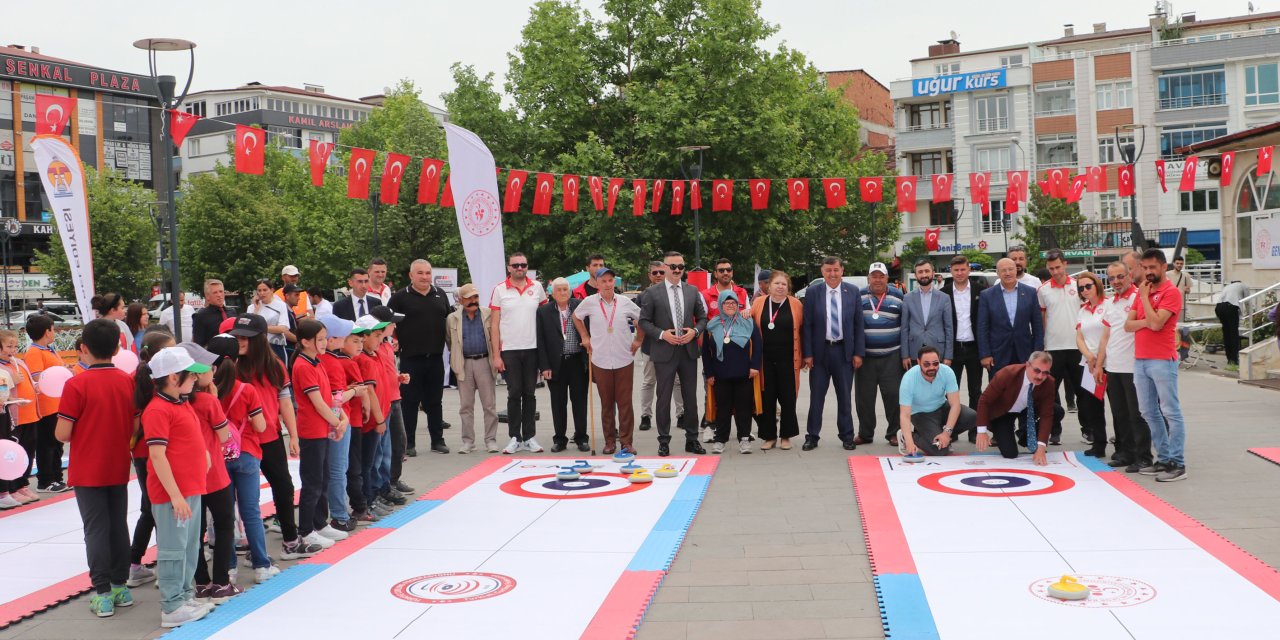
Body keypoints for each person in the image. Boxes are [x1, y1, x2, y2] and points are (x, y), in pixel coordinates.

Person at [53, 319, 136, 618]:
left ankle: (101, 593)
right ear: (117, 348)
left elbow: (62, 433)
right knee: (118, 525)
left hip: (87, 468)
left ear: (83, 349)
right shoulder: (128, 381)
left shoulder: (75, 384)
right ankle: (120, 587)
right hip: (118, 465)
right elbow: (135, 424)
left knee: (96, 529)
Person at [137, 346, 214, 628]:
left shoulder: (180, 403)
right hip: (174, 494)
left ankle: (183, 596)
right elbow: (157, 455)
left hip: (190, 488)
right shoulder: (157, 410)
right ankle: (171, 605)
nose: (195, 379)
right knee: (173, 549)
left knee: (190, 546)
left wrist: (203, 454)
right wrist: (175, 495)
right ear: (172, 377)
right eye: (190, 376)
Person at [231, 314, 318, 560]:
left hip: (271, 436)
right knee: (248, 497)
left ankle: (290, 541)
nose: (240, 341)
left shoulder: (275, 365)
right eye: (237, 336)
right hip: (243, 441)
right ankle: (251, 548)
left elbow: (285, 401)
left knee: (284, 486)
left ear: (259, 339)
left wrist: (293, 435)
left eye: (245, 337)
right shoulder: (233, 366)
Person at [204, 335, 279, 583]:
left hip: (218, 459)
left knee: (225, 517)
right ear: (237, 359)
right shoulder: (247, 390)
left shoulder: (206, 393)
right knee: (250, 512)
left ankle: (230, 568)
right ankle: (261, 565)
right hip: (247, 453)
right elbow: (260, 424)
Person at [180, 343, 240, 604]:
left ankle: (202, 583)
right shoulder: (207, 401)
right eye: (206, 367)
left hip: (190, 476)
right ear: (193, 373)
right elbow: (224, 435)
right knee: (224, 525)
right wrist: (215, 399)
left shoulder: (176, 403)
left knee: (196, 530)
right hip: (215, 474)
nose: (212, 370)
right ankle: (221, 582)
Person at [1126, 249, 1189, 482]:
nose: (1149, 272)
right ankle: (1163, 459)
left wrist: (1143, 298)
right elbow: (1127, 325)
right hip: (1140, 359)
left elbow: (1156, 325)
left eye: (1153, 267)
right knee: (1148, 412)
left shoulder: (1170, 292)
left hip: (1162, 360)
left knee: (1170, 411)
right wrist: (1146, 318)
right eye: (1145, 267)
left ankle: (1178, 463)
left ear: (1164, 267)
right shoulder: (1144, 291)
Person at [638, 251, 709, 456]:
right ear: (665, 267)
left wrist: (694, 332)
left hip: (687, 350)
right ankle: (663, 440)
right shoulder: (652, 293)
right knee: (663, 397)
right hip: (664, 350)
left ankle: (692, 439)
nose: (677, 270)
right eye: (673, 266)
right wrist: (662, 335)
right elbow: (643, 321)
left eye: (681, 266)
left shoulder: (692, 290)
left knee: (690, 397)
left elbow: (702, 318)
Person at [291, 319, 350, 549]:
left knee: (323, 477)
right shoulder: (303, 365)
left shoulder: (316, 362)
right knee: (312, 482)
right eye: (320, 339)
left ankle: (319, 522)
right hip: (312, 430)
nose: (325, 343)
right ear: (305, 342)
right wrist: (338, 422)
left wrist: (341, 418)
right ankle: (305, 531)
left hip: (323, 428)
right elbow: (317, 403)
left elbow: (330, 398)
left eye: (326, 338)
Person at [124, 332, 177, 589]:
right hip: (158, 451)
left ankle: (136, 564)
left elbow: (133, 422)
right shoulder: (160, 381)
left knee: (152, 507)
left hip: (144, 452)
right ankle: (151, 564)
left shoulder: (137, 378)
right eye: (171, 349)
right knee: (159, 507)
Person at [574, 269, 643, 455]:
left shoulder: (625, 302)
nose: (607, 284)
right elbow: (576, 316)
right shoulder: (589, 302)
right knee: (606, 403)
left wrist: (638, 340)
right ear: (597, 283)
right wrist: (585, 336)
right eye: (603, 281)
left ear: (615, 282)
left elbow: (642, 318)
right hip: (600, 359)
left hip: (624, 358)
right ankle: (610, 441)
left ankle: (627, 442)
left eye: (610, 280)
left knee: (625, 403)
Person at [801, 256, 865, 451]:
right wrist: (808, 353)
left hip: (844, 352)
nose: (832, 274)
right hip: (820, 354)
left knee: (845, 397)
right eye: (828, 270)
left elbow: (858, 324)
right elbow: (807, 325)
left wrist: (858, 353)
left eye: (836, 270)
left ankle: (847, 436)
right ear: (822, 272)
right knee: (816, 397)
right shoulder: (813, 292)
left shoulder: (853, 292)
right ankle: (812, 436)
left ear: (842, 270)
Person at [389, 259, 453, 456]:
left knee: (435, 401)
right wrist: (393, 341)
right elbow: (388, 325)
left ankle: (437, 440)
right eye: (420, 273)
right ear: (411, 276)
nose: (425, 277)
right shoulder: (399, 298)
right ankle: (408, 443)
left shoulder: (440, 294)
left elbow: (449, 321)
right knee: (409, 402)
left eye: (427, 273)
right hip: (410, 359)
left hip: (435, 358)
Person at [490, 252, 548, 454]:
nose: (519, 268)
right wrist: (496, 355)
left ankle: (530, 436)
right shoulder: (499, 290)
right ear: (509, 268)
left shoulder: (537, 287)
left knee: (530, 394)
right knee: (514, 393)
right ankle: (515, 437)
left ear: (527, 266)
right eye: (515, 265)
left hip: (533, 349)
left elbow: (544, 319)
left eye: (523, 265)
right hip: (510, 350)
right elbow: (494, 325)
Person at [1097, 261, 1152, 472]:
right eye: (1112, 278)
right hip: (1114, 367)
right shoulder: (1110, 303)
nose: (1116, 281)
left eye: (1120, 276)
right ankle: (1126, 453)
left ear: (1129, 275)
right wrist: (1100, 365)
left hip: (1134, 367)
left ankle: (1144, 456)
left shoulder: (1139, 297)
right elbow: (1105, 337)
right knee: (1119, 414)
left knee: (1137, 415)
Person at [316, 316, 363, 533]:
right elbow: (335, 398)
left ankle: (334, 514)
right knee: (337, 469)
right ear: (331, 339)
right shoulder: (332, 362)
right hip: (336, 421)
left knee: (327, 470)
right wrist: (354, 391)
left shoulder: (317, 359)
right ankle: (340, 516)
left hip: (322, 422)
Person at [702, 289, 761, 454]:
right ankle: (720, 440)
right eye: (727, 303)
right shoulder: (712, 325)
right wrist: (710, 374)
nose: (730, 305)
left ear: (738, 304)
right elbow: (706, 353)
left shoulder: (747, 322)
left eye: (733, 303)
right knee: (723, 409)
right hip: (721, 375)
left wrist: (755, 366)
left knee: (744, 408)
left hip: (744, 373)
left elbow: (758, 345)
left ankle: (744, 440)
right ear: (721, 305)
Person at [975, 353, 1061, 465]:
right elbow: (984, 400)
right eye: (1037, 371)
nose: (1040, 376)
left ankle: (1028, 439)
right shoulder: (1007, 374)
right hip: (1003, 412)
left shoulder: (1049, 382)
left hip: (1028, 409)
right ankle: (1004, 433)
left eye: (1045, 373)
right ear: (1027, 365)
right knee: (1010, 454)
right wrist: (981, 431)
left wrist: (1041, 447)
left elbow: (1046, 415)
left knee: (1057, 411)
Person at [854, 262, 905, 447]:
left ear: (887, 278)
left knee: (893, 396)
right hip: (865, 356)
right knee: (864, 398)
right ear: (869, 278)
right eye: (874, 276)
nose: (877, 279)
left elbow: (905, 324)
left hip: (892, 355)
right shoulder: (858, 296)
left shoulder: (898, 296)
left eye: (881, 276)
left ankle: (893, 433)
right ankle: (865, 433)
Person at [750, 270, 802, 450]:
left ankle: (786, 436)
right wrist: (743, 312)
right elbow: (750, 323)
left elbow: (803, 331)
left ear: (788, 288)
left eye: (784, 284)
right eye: (777, 284)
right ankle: (769, 436)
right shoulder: (758, 303)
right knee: (767, 398)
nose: (780, 287)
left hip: (788, 359)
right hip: (765, 361)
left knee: (788, 398)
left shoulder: (796, 304)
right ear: (768, 286)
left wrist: (805, 358)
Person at [447, 283, 500, 454]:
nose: (473, 301)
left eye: (475, 297)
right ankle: (468, 442)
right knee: (466, 406)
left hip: (485, 362)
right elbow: (450, 342)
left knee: (489, 405)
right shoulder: (452, 318)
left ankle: (491, 440)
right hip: (464, 364)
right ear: (460, 300)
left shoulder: (488, 314)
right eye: (469, 298)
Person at [538, 279, 589, 453]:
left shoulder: (580, 306)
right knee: (558, 403)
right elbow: (541, 341)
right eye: (558, 290)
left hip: (577, 361)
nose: (562, 292)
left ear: (570, 291)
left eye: (565, 289)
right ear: (552, 293)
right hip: (556, 364)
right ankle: (560, 439)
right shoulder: (544, 311)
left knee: (580, 402)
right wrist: (544, 366)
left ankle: (581, 437)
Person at [899, 345, 977, 457]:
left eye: (935, 363)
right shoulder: (909, 378)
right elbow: (905, 415)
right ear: (918, 362)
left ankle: (942, 437)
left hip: (942, 407)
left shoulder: (947, 372)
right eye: (926, 364)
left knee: (972, 416)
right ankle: (907, 436)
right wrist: (910, 442)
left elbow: (955, 405)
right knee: (939, 451)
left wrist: (946, 433)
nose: (932, 367)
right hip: (921, 414)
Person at [977, 258, 1044, 374]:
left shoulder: (1030, 292)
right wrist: (985, 354)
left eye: (1011, 269)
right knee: (1000, 390)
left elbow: (1037, 325)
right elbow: (982, 327)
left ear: (1015, 270)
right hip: (997, 354)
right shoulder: (987, 295)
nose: (1007, 273)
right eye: (1003, 270)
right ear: (998, 273)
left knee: (1025, 389)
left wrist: (1037, 353)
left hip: (1025, 353)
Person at [25, 314, 68, 493]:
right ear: (46, 331)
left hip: (57, 403)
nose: (54, 332)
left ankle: (57, 477)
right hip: (46, 405)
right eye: (52, 329)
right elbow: (37, 376)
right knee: (47, 443)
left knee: (57, 443)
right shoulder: (34, 352)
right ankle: (45, 480)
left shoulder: (49, 350)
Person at [637, 261, 682, 431]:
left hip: (674, 345)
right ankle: (646, 415)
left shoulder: (677, 292)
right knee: (649, 381)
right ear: (649, 275)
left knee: (677, 381)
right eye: (654, 273)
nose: (658, 276)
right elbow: (640, 321)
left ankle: (681, 413)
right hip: (651, 345)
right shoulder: (644, 295)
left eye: (661, 272)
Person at [941, 256, 986, 415]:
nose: (960, 273)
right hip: (953, 349)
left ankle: (975, 428)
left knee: (975, 390)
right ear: (951, 271)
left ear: (969, 270)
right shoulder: (943, 293)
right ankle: (951, 429)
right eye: (956, 270)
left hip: (974, 348)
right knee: (951, 392)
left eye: (963, 269)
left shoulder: (981, 291)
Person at [1073, 271, 1109, 458]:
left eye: (1088, 286)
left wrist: (1099, 360)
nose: (1085, 290)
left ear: (1097, 285)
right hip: (1088, 364)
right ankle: (1099, 443)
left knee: (1119, 408)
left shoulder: (1109, 305)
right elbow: (1079, 338)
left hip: (1110, 363)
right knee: (1092, 407)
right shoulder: (1082, 310)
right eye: (1081, 288)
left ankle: (1123, 444)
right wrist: (1089, 356)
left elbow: (1108, 335)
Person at [249, 279, 293, 362]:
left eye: (265, 290)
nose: (262, 293)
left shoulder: (281, 305)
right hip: (258, 347)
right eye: (259, 290)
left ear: (272, 290)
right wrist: (256, 310)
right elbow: (250, 329)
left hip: (276, 346)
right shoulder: (251, 307)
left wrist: (260, 327)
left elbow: (283, 328)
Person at [1217, 280, 1249, 371]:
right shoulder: (1244, 285)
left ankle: (1229, 358)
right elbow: (1248, 301)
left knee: (1226, 333)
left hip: (1219, 307)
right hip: (1230, 307)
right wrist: (1251, 314)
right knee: (1234, 334)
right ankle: (1234, 360)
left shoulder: (1227, 287)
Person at [192, 279, 230, 347]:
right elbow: (198, 345)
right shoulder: (200, 316)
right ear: (207, 296)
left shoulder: (232, 312)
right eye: (215, 292)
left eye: (221, 291)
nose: (219, 295)